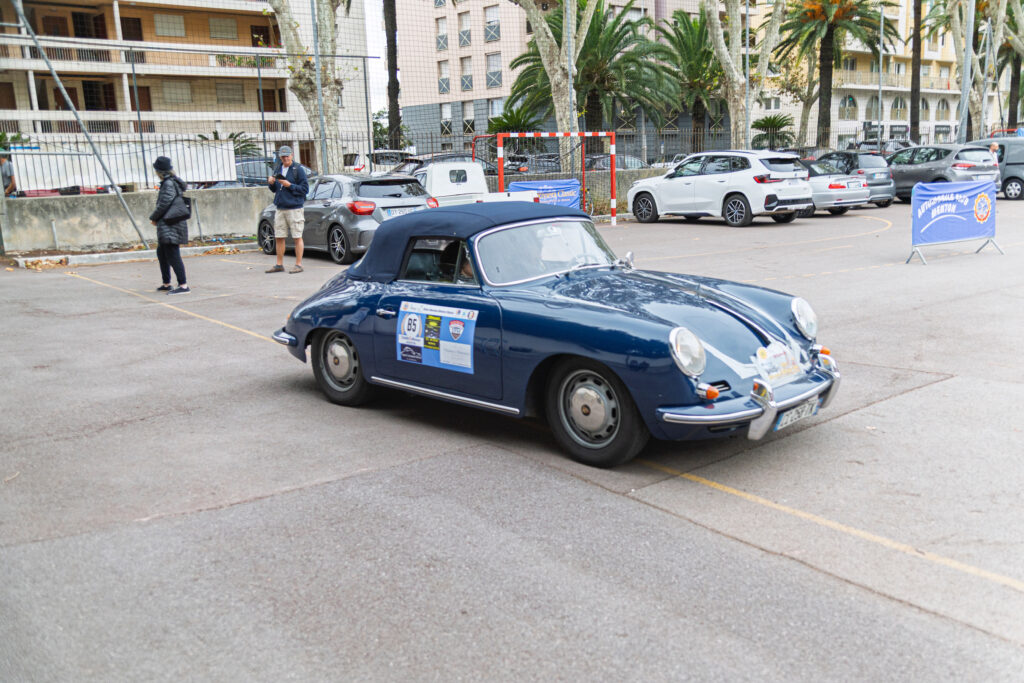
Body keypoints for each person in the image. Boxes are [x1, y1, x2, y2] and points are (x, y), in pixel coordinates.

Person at [149, 156, 190, 295]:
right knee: (162, 253)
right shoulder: (172, 182)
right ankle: (166, 283)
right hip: (170, 223)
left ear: (159, 171)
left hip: (170, 223)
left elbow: (164, 203)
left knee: (173, 254)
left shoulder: (168, 184)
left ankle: (183, 286)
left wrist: (153, 217)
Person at [266, 145, 309, 274]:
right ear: (280, 157)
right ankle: (279, 264)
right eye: (283, 156)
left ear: (292, 155)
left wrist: (290, 185)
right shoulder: (278, 168)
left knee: (297, 236)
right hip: (280, 207)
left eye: (287, 156)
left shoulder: (298, 169)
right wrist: (271, 183)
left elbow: (305, 189)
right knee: (279, 236)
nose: (285, 158)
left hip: (294, 208)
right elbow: (275, 189)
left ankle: (298, 264)